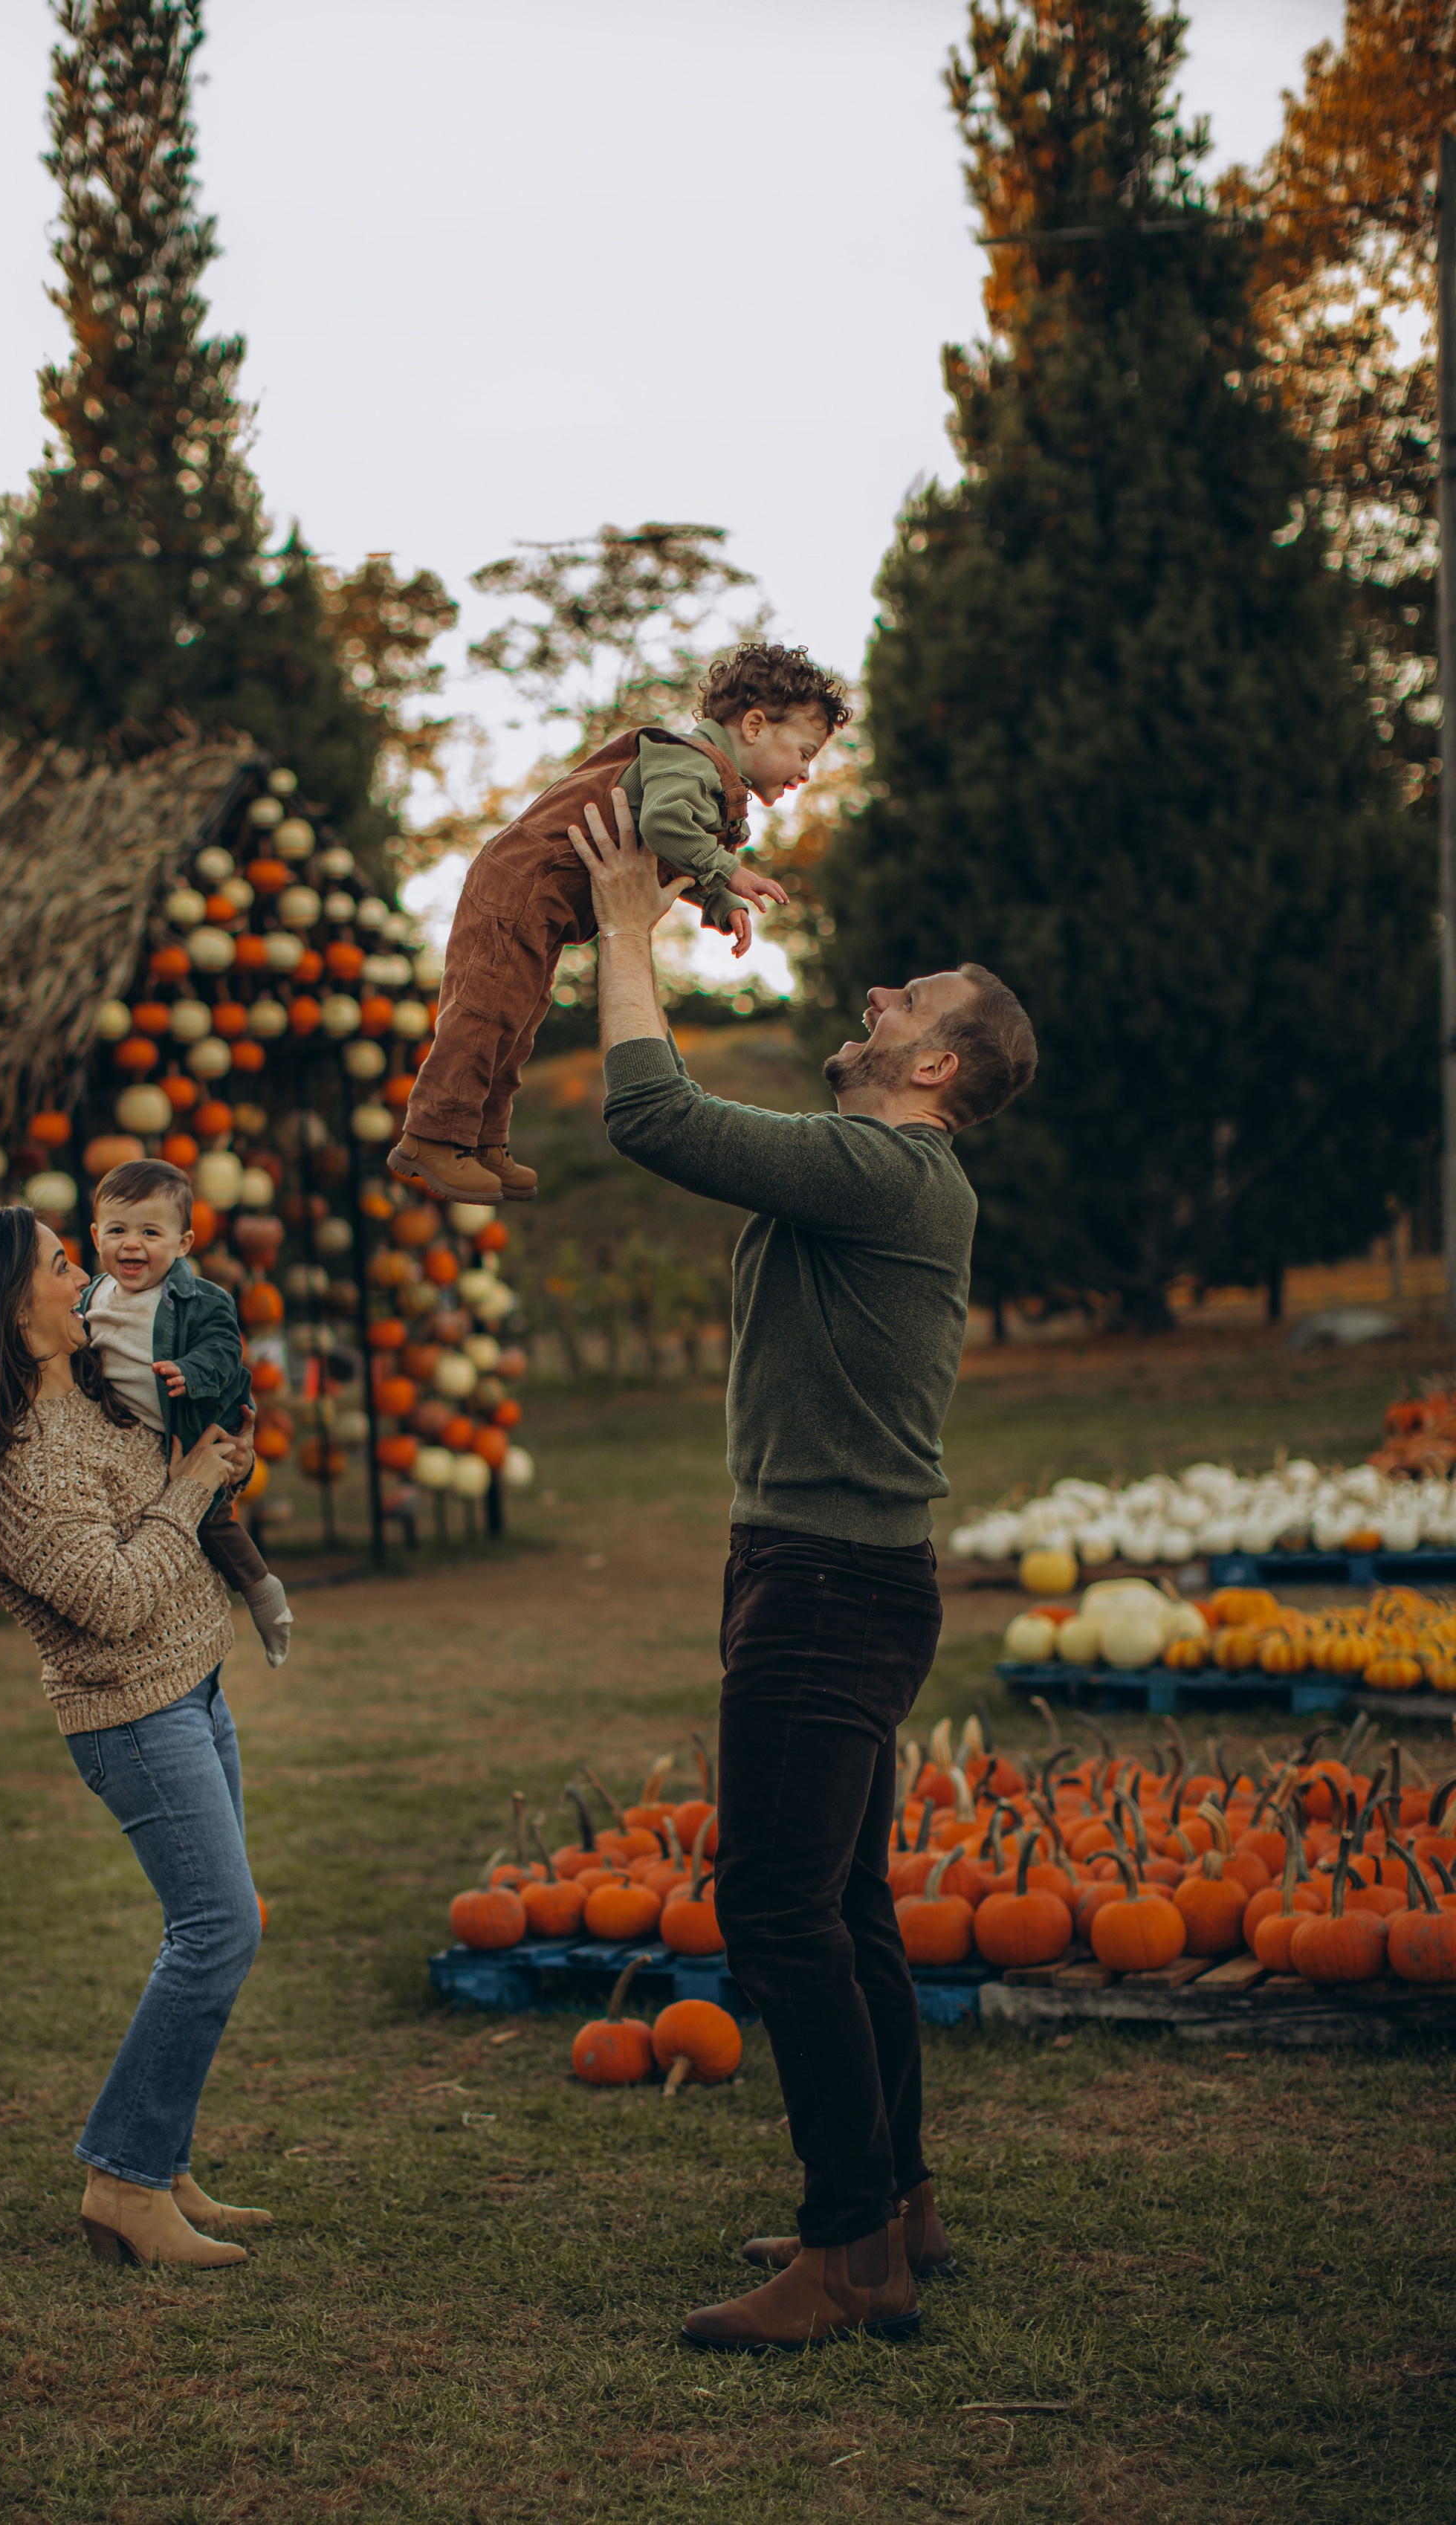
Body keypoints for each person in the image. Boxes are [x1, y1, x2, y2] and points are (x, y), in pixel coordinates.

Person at [570, 789, 1037, 2352]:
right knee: (842, 1905)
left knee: (774, 1913)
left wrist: (625, 930)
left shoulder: (886, 1168)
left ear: (936, 1068)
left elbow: (649, 1117)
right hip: (834, 1571)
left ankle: (846, 2255)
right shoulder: (878, 1170)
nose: (873, 999)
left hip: (825, 1584)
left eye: (907, 1001)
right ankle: (892, 2204)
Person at [0, 1204, 268, 2272]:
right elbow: (109, 1596)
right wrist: (189, 1488)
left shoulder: (95, 1388)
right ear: (13, 1307)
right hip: (135, 1715)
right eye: (62, 1264)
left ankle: (166, 2164)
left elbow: (164, 1505)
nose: (87, 1274)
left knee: (221, 1928)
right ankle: (123, 2181)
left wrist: (212, 1451)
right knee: (217, 1931)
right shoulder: (20, 1463)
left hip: (195, 1682)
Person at [390, 642, 852, 1206]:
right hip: (518, 884)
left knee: (518, 1023)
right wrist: (730, 870)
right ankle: (433, 1135)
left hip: (545, 906)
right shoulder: (690, 760)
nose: (806, 771)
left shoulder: (708, 783)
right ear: (754, 725)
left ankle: (484, 1141)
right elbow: (664, 823)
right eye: (804, 752)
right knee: (487, 1010)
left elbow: (674, 853)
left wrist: (716, 900)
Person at [78, 1157, 294, 1669]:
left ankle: (264, 1595)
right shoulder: (90, 1297)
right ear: (95, 1235)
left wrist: (189, 1370)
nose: (132, 1244)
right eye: (118, 1230)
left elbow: (224, 1348)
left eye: (151, 1231)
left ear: (183, 1244)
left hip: (196, 1423)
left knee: (210, 1519)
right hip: (144, 1436)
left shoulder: (199, 1299)